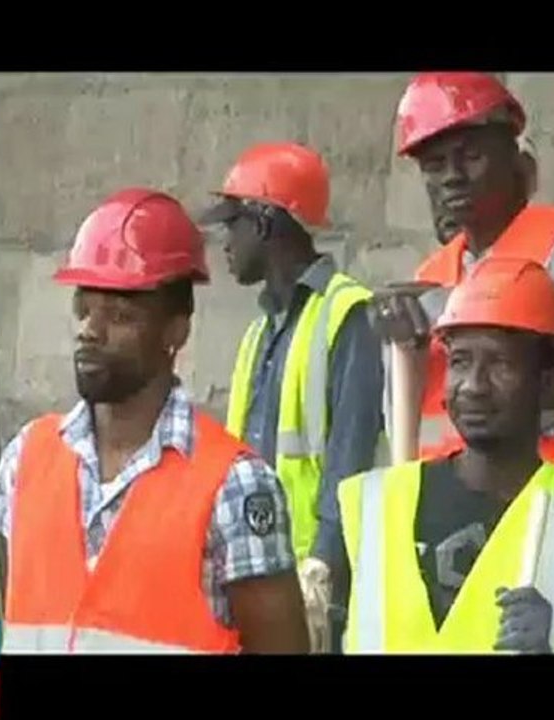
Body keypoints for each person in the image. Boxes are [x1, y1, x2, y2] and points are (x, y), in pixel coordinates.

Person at [0, 187, 310, 654]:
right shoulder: (25, 461)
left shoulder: (234, 488)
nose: (89, 331)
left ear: (175, 331)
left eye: (119, 315)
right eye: (84, 307)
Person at [337, 257, 554, 654]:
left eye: (499, 363)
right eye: (460, 361)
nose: (473, 386)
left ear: (548, 382)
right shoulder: (374, 506)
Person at [373, 72, 554, 481]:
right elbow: (402, 417)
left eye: (470, 156)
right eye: (434, 165)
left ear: (511, 157)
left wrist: (439, 312)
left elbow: (553, 384)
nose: (452, 176)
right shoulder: (431, 274)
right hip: (450, 502)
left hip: (546, 495)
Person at [200, 141, 386, 653]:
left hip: (316, 587)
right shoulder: (259, 335)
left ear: (262, 222)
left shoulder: (348, 315)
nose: (225, 242)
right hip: (257, 581)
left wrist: (321, 580)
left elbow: (349, 463)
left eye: (231, 223)